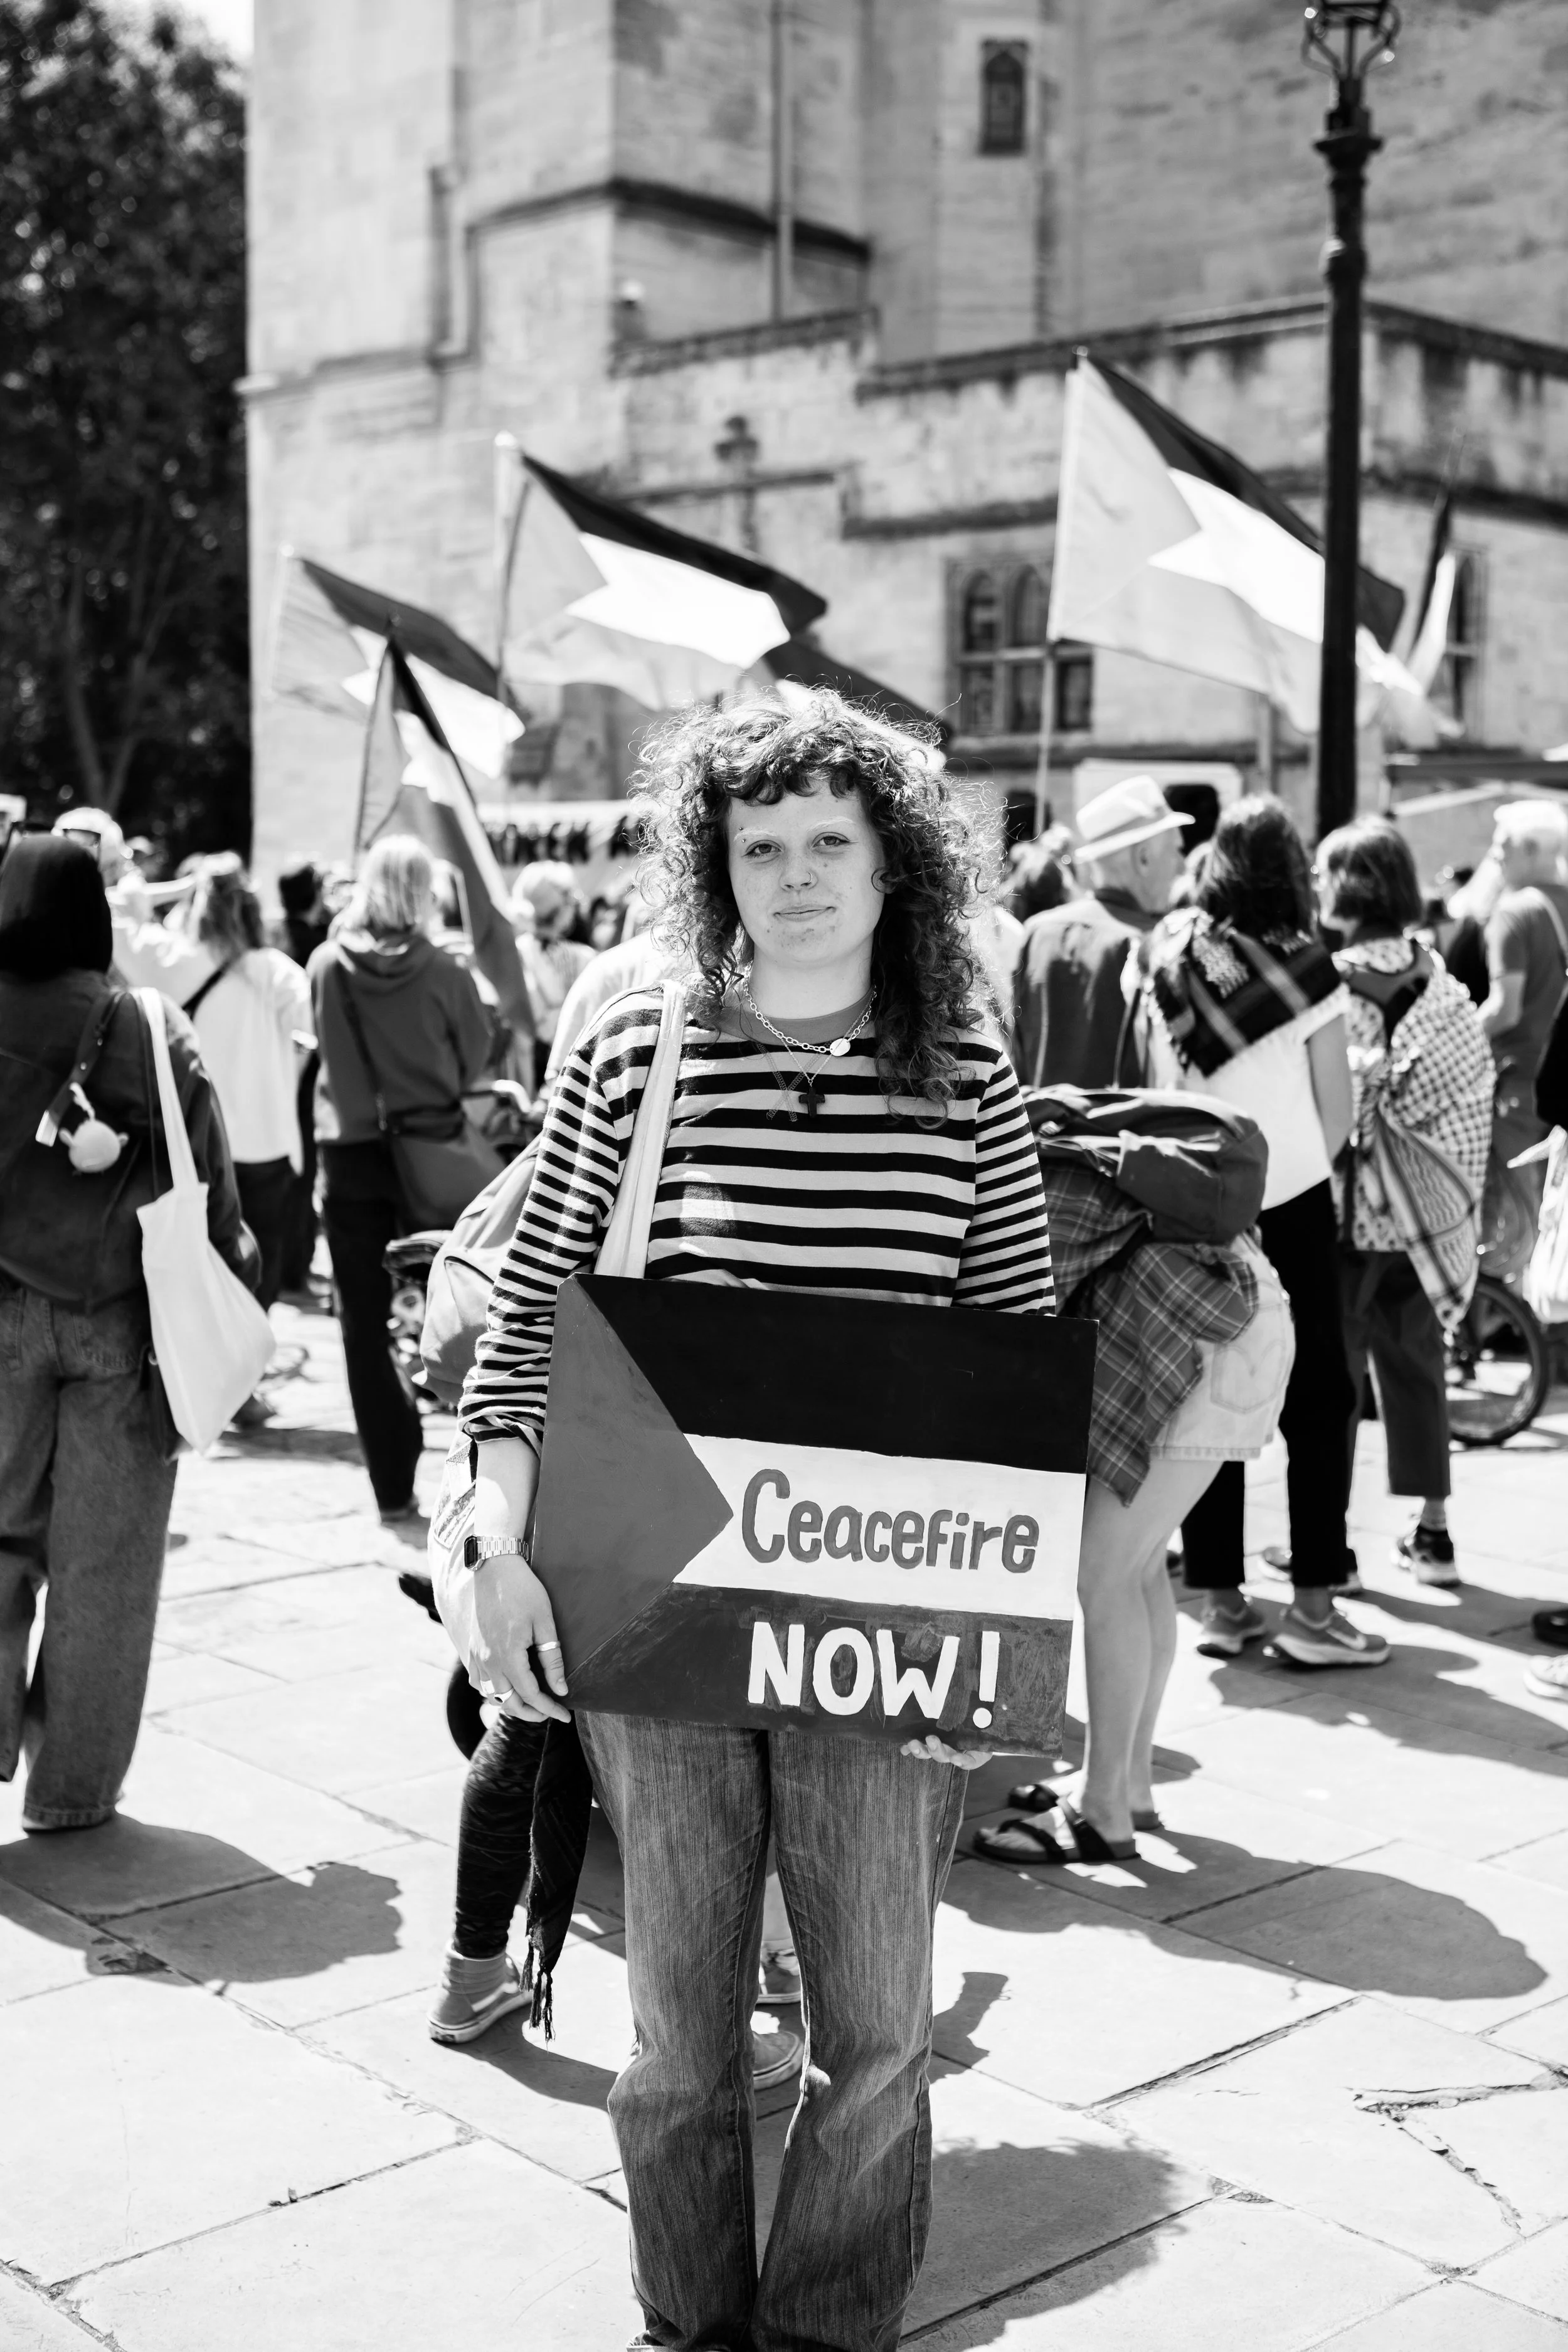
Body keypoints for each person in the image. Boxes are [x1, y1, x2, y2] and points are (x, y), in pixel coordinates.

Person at [455, 689, 1054, 2352]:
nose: (795, 874)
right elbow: (531, 1312)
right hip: (659, 1589)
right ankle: (686, 2315)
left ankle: (827, 2322)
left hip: (884, 1606)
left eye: (829, 842)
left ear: (891, 864)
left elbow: (1012, 1345)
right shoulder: (637, 1034)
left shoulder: (964, 1062)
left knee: (874, 2021)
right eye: (760, 843)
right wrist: (487, 1537)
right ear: (717, 864)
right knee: (676, 2029)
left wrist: (1008, 1638)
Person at [0, 838, 254, 1830]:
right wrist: (237, 1279)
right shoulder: (148, 1024)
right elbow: (211, 1180)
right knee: (106, 1569)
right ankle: (70, 1792)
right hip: (123, 1324)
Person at [1134, 796, 1389, 1669]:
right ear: (1293, 872)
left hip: (1200, 1200)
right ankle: (1315, 1607)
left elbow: (1155, 1084)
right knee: (1320, 1394)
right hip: (1293, 1198)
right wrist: (1296, 1170)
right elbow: (1339, 1109)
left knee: (1211, 1395)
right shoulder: (1311, 971)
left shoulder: (1169, 957)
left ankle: (1221, 1599)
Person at [1318, 819, 1492, 1590]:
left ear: (1351, 885)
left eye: (1327, 874)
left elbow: (1323, 1099)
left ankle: (1331, 1548)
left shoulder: (1327, 980)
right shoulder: (1443, 981)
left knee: (1334, 1384)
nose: (1319, 887)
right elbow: (1467, 1089)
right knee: (1418, 1370)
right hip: (1422, 1216)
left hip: (1347, 1212)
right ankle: (1434, 1535)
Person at [310, 836, 492, 1523]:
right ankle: (476, 1457)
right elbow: (475, 1057)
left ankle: (391, 1482)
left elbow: (326, 1048)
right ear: (425, 892)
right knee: (463, 1298)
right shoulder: (446, 969)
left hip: (351, 1155)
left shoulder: (327, 964)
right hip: (434, 1149)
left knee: (361, 1321)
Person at [110, 854, 314, 1315]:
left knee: (193, 1273)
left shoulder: (172, 960)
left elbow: (112, 909)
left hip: (191, 1143)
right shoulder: (279, 973)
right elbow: (311, 1038)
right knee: (258, 1274)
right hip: (268, 1145)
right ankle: (247, 1374)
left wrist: (177, 888)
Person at [1011, 774, 1192, 1088]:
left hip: (1041, 1133)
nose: (1182, 866)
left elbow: (1018, 1058)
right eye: (1177, 851)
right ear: (1144, 858)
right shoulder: (1156, 943)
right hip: (1122, 1136)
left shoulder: (1038, 933)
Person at [1478, 802, 1568, 1281]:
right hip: (1561, 1081)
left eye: (1503, 847)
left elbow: (1505, 1007)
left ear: (1531, 850)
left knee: (1520, 1208)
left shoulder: (1515, 912)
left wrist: (1452, 1037)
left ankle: (1531, 1321)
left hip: (1522, 1085)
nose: (1495, 858)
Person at [512, 861, 595, 1090]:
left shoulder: (514, 955)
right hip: (574, 1073)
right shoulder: (585, 958)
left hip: (529, 1076)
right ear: (562, 907)